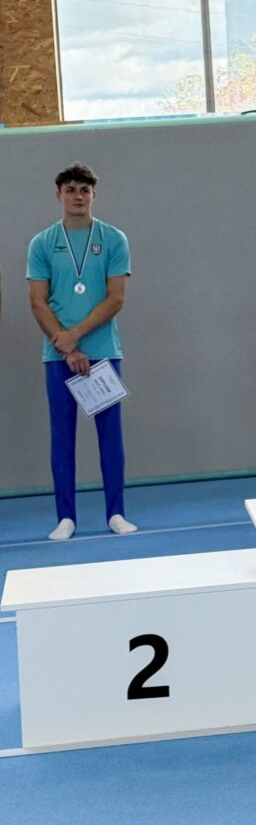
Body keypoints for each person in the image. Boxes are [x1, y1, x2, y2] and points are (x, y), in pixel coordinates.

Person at [27, 163, 135, 541]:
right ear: (59, 195)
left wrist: (76, 336)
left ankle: (116, 513)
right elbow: (38, 302)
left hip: (103, 352)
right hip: (58, 355)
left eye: (84, 190)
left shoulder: (113, 239)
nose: (78, 196)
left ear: (93, 195)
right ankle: (66, 518)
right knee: (63, 438)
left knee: (111, 438)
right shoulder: (42, 243)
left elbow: (116, 298)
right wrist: (66, 345)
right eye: (71, 189)